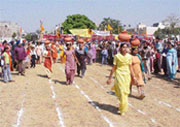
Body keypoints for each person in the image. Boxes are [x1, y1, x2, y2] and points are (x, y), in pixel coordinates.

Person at [107, 43, 136, 115]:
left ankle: (122, 106)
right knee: (121, 91)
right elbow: (114, 67)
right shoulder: (117, 56)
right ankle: (123, 109)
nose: (125, 49)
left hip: (126, 75)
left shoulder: (129, 57)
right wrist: (110, 78)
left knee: (125, 92)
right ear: (120, 48)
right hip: (119, 75)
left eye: (126, 47)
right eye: (123, 47)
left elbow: (130, 67)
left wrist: (134, 77)